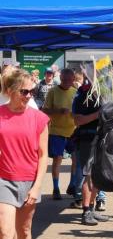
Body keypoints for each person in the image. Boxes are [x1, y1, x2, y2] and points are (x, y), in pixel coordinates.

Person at [0, 69, 49, 239]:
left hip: (29, 181)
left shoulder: (39, 118)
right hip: (4, 180)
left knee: (24, 230)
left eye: (32, 91)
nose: (29, 96)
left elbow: (43, 155)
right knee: (4, 233)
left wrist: (37, 187)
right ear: (10, 91)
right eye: (24, 92)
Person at [72, 77, 109, 223]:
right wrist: (97, 114)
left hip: (102, 139)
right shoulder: (82, 95)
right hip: (87, 140)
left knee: (98, 177)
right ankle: (86, 211)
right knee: (88, 175)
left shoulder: (105, 95)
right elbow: (77, 120)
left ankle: (92, 208)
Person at [42, 69, 77, 200]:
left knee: (76, 159)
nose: (67, 82)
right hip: (56, 131)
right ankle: (56, 188)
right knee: (57, 159)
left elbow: (79, 111)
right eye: (64, 80)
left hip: (73, 131)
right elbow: (44, 110)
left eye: (69, 80)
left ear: (73, 79)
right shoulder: (53, 91)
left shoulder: (75, 92)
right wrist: (58, 111)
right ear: (60, 78)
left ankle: (72, 185)